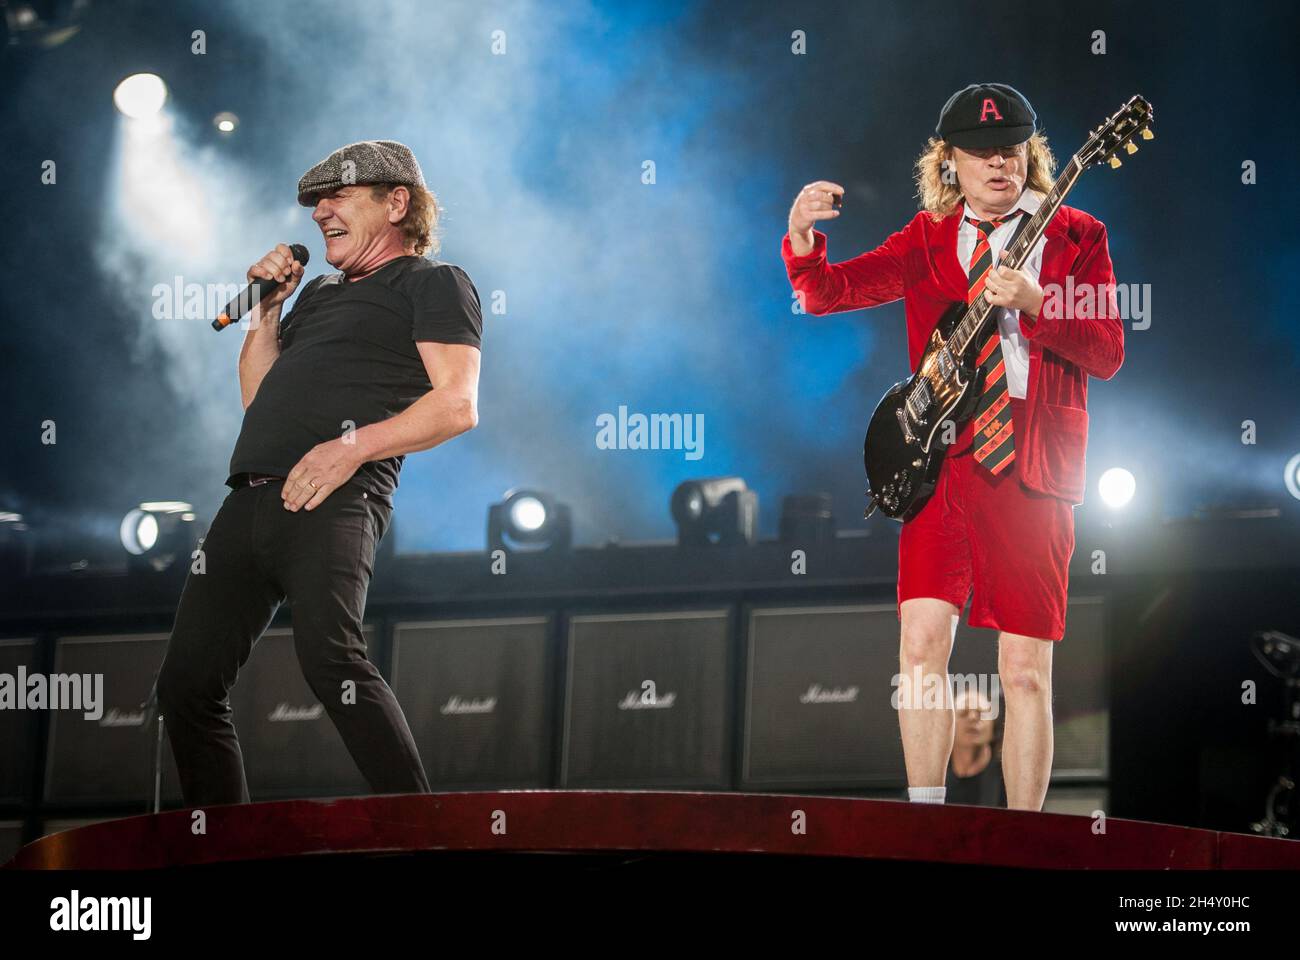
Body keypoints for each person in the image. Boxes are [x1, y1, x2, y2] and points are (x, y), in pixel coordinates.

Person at [782, 84, 1123, 810]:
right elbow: (824, 294)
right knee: (920, 645)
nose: (1000, 164)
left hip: (1031, 469)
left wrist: (1038, 303)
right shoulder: (927, 238)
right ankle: (926, 823)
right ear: (950, 162)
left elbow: (1107, 350)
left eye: (1011, 151)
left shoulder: (1077, 234)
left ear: (1030, 154)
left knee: (1024, 669)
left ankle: (1024, 839)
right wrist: (803, 238)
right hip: (939, 467)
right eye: (982, 153)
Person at [158, 139, 483, 806]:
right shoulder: (319, 294)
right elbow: (260, 402)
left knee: (331, 659)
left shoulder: (432, 283)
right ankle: (223, 846)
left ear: (397, 203)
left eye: (338, 196)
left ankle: (424, 832)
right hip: (248, 501)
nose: (319, 212)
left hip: (335, 496)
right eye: (315, 202)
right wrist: (268, 312)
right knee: (185, 686)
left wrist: (351, 448)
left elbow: (457, 405)